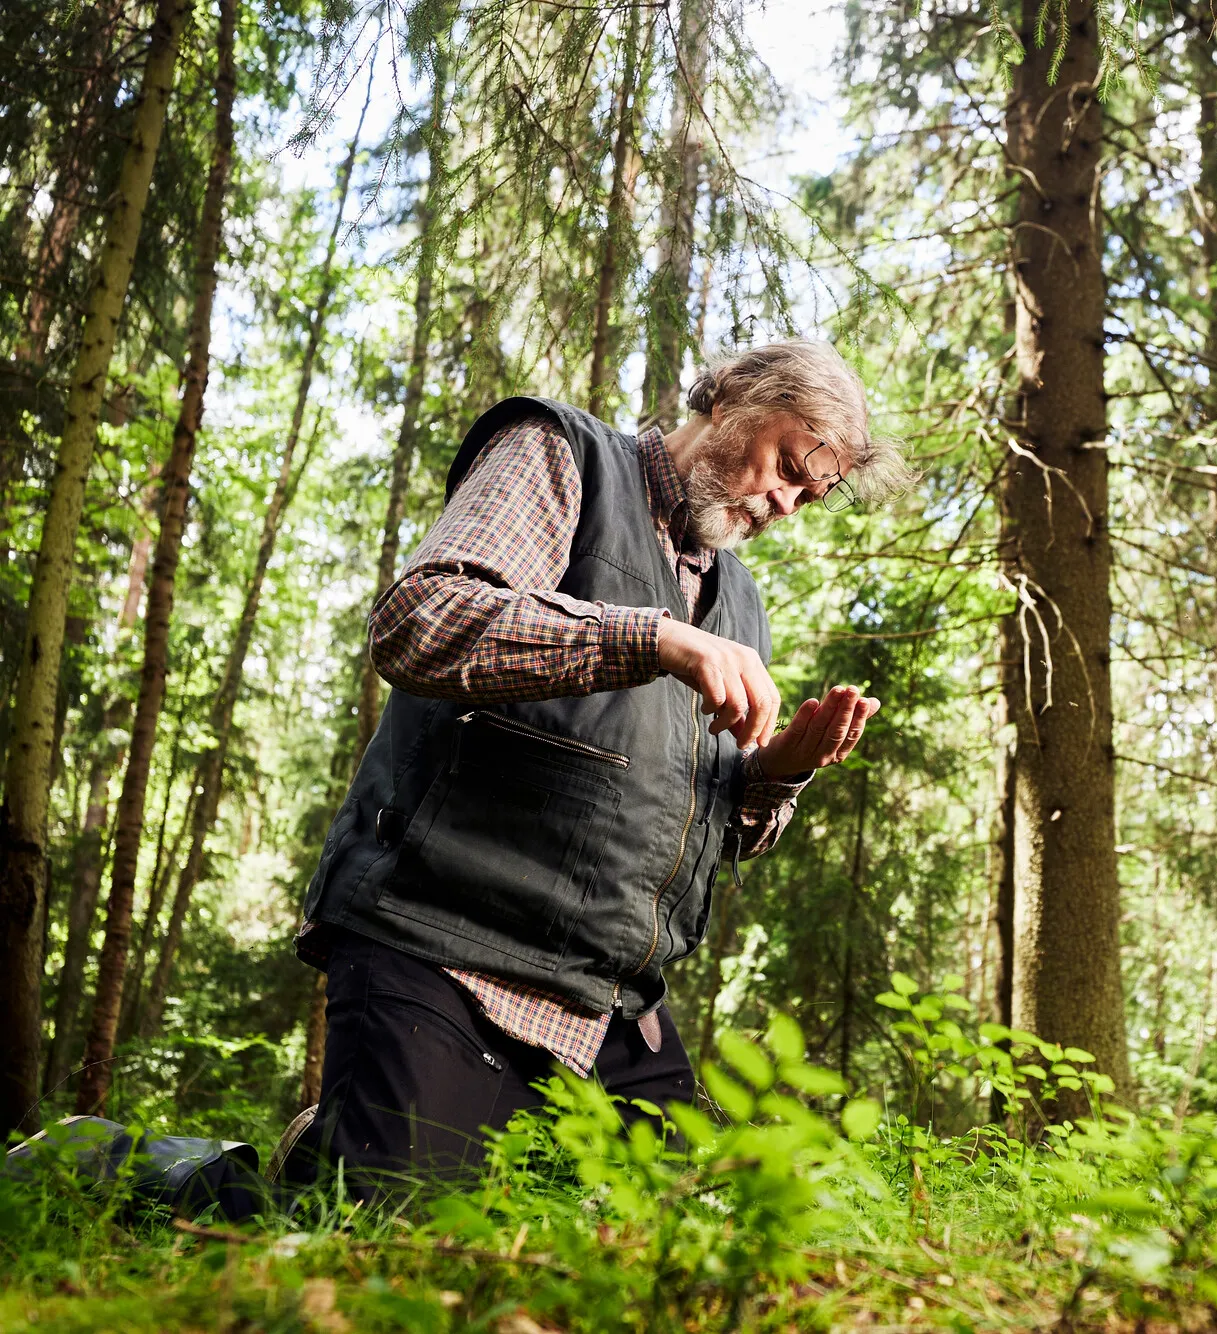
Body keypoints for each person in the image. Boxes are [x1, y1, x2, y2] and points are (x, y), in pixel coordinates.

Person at [282, 340, 910, 1193]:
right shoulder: (562, 457)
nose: (787, 504)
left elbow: (700, 829)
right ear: (732, 395)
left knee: (673, 1242)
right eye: (790, 466)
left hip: (610, 1002)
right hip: (444, 950)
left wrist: (777, 775)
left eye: (811, 495)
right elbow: (422, 622)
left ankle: (332, 1150)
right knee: (388, 1234)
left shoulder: (740, 604)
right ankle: (162, 1174)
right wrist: (649, 637)